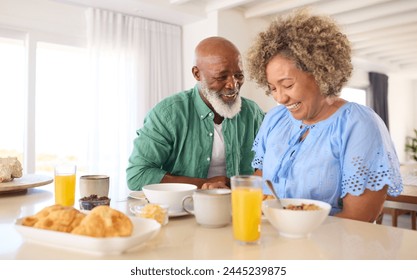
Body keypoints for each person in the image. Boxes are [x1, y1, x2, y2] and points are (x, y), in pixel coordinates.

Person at [245, 9, 403, 222]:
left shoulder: (358, 125)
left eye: (287, 85)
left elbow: (358, 219)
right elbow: (260, 181)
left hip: (329, 249)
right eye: (272, 88)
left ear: (320, 73)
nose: (280, 98)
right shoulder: (275, 119)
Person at [126, 36, 264, 191]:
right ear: (197, 74)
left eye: (239, 75)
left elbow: (270, 167)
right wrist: (203, 184)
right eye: (221, 77)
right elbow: (137, 175)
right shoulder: (168, 114)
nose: (233, 85)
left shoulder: (253, 113)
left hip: (240, 208)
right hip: (182, 209)